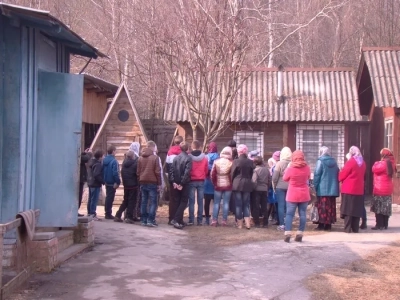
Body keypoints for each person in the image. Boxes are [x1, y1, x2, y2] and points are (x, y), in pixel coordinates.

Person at [282, 150, 310, 242]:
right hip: (304, 194)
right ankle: (300, 233)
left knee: (289, 214)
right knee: (303, 214)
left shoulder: (291, 168)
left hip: (292, 194)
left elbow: (285, 178)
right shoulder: (307, 168)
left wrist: (288, 167)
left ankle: (288, 233)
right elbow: (309, 177)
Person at [339, 146, 366, 233]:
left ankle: (347, 228)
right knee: (356, 210)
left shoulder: (351, 162)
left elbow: (343, 174)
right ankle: (355, 228)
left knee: (348, 209)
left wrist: (339, 177)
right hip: (359, 189)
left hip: (349, 188)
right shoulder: (362, 162)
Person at [313, 146, 339, 231]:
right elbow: (337, 172)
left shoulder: (320, 161)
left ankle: (321, 224)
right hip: (332, 189)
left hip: (322, 188)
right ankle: (328, 224)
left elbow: (317, 175)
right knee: (330, 206)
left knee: (322, 206)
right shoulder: (334, 162)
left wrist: (315, 186)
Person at [137, 141, 162, 227]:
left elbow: (138, 171)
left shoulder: (140, 158)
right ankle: (150, 220)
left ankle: (144, 220)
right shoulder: (155, 158)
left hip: (143, 181)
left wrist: (140, 179)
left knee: (144, 201)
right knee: (153, 202)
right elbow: (157, 172)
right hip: (153, 182)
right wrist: (159, 184)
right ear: (152, 147)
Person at [371, 148, 396, 230]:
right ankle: (385, 224)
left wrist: (376, 162)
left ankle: (379, 225)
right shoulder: (392, 163)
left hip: (380, 188)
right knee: (386, 208)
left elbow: (374, 169)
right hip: (388, 189)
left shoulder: (383, 164)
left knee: (379, 208)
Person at [170, 142, 192, 229]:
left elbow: (171, 170)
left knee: (178, 202)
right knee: (183, 202)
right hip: (184, 183)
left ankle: (179, 220)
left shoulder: (176, 158)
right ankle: (176, 220)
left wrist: (173, 182)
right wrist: (182, 183)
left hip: (176, 182)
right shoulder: (188, 158)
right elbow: (187, 172)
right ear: (187, 149)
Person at [232, 144, 254, 229]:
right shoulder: (250, 161)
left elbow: (232, 174)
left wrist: (232, 181)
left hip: (237, 184)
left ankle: (240, 224)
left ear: (238, 152)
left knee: (238, 205)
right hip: (247, 183)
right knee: (246, 204)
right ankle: (248, 224)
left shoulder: (236, 161)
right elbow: (251, 173)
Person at [211, 147, 233, 226]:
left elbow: (212, 174)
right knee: (226, 203)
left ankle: (214, 220)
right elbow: (232, 175)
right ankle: (224, 220)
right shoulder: (231, 163)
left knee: (216, 203)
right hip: (228, 185)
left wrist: (214, 183)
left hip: (218, 184)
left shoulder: (216, 162)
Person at [114, 151, 138, 224]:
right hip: (133, 185)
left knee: (125, 201)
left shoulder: (124, 163)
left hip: (126, 185)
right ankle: (129, 217)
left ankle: (118, 215)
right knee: (131, 201)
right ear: (133, 156)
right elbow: (137, 174)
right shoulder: (135, 164)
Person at [272, 147, 292, 230]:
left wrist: (274, 186)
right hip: (290, 187)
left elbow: (275, 177)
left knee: (280, 205)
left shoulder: (279, 163)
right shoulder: (292, 163)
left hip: (280, 186)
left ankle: (281, 224)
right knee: (289, 206)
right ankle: (288, 223)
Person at [188, 140, 208, 226]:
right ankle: (199, 220)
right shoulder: (205, 158)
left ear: (192, 147)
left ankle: (191, 220)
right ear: (200, 147)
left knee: (191, 201)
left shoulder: (189, 157)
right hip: (201, 180)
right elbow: (206, 170)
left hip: (191, 180)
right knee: (200, 201)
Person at [166, 136, 183, 225]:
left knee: (172, 199)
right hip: (180, 179)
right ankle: (178, 218)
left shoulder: (169, 152)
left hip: (172, 178)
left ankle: (171, 218)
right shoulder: (183, 153)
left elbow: (168, 166)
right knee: (180, 199)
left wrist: (171, 179)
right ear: (181, 143)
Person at [251, 156, 271, 228]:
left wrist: (253, 189)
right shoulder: (266, 170)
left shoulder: (255, 170)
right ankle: (265, 223)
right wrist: (267, 188)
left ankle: (257, 223)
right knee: (264, 207)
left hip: (257, 190)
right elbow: (269, 180)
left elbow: (254, 181)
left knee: (256, 207)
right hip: (264, 189)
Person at [102, 145, 121, 219]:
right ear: (113, 151)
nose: (116, 152)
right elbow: (115, 173)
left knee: (108, 197)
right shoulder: (114, 161)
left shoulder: (104, 160)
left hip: (106, 181)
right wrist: (118, 181)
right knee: (110, 198)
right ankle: (108, 213)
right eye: (115, 151)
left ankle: (107, 212)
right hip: (112, 182)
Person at [204, 142, 219, 225]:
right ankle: (215, 219)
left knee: (207, 202)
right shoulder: (218, 156)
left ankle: (207, 219)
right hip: (215, 182)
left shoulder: (206, 157)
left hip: (207, 181)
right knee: (216, 202)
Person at [86, 150, 104, 220]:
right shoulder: (98, 164)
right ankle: (92, 214)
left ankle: (89, 213)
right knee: (94, 199)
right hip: (95, 183)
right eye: (102, 156)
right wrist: (102, 181)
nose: (103, 157)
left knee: (90, 199)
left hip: (90, 182)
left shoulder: (91, 162)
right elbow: (96, 174)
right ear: (100, 157)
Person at [79, 149, 92, 217]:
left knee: (80, 195)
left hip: (81, 178)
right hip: (80, 178)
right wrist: (89, 154)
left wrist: (84, 153)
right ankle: (76, 211)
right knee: (79, 195)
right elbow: (84, 159)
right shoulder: (76, 154)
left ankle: (76, 210)